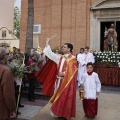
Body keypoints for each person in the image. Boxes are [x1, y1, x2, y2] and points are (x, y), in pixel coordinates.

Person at [42, 38, 78, 120]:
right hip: (58, 81)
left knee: (66, 98)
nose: (62, 48)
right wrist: (47, 42)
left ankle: (65, 114)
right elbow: (50, 54)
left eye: (64, 47)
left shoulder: (72, 59)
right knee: (58, 98)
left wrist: (64, 73)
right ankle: (59, 113)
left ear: (69, 49)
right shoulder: (60, 58)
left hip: (66, 83)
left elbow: (73, 72)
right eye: (62, 46)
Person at [0, 47, 16, 119]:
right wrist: (12, 108)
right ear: (4, 56)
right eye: (7, 54)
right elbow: (8, 93)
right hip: (2, 108)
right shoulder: (6, 71)